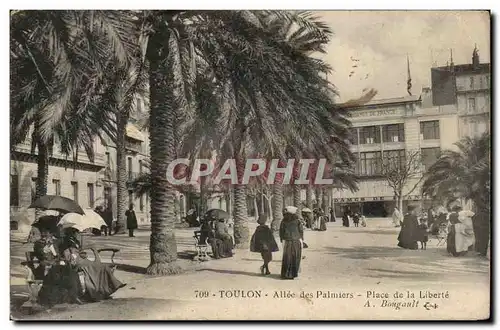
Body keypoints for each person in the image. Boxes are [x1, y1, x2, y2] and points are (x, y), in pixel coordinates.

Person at [279, 206, 304, 280]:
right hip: (296, 240)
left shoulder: (283, 221)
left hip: (287, 240)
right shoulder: (297, 221)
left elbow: (281, 231)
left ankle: (285, 274)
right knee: (295, 257)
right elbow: (301, 231)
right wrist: (302, 239)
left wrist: (282, 240)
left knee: (287, 257)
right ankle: (293, 274)